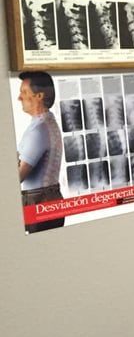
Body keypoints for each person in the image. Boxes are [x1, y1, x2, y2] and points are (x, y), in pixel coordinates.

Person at [17, 71, 64, 233]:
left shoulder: (39, 130)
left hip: (39, 203)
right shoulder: (45, 123)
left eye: (24, 92)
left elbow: (17, 176)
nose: (19, 98)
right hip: (46, 200)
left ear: (39, 96)